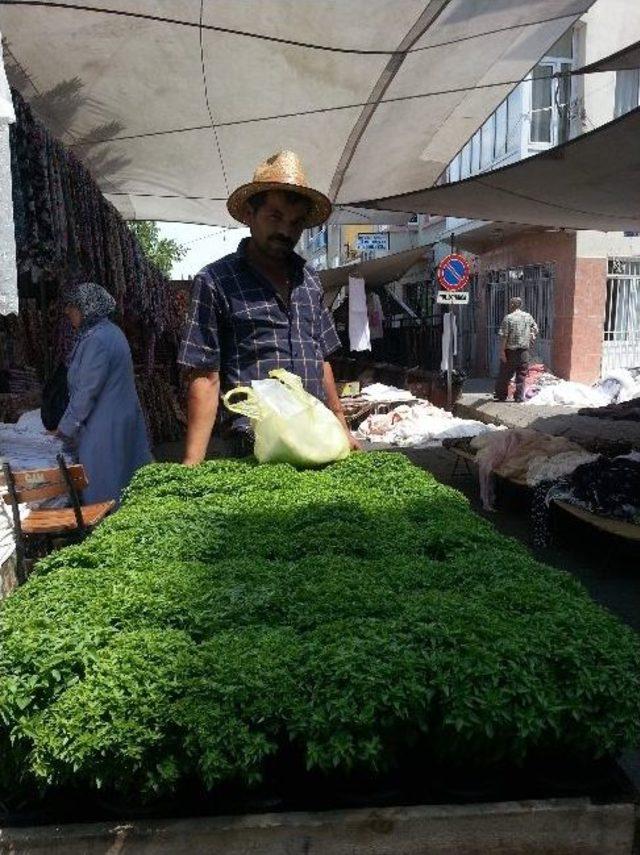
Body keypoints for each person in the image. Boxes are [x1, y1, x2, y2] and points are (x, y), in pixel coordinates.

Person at [178, 150, 358, 464]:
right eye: (274, 216)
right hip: (255, 445)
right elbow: (205, 376)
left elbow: (322, 359)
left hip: (317, 440)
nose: (286, 231)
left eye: (295, 222)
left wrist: (342, 425)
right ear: (250, 214)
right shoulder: (216, 281)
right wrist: (192, 465)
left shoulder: (310, 281)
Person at [57, 282, 152, 503]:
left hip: (104, 426)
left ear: (87, 307)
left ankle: (108, 530)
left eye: (73, 305)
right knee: (123, 481)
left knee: (104, 491)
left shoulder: (97, 340)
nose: (67, 311)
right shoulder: (110, 332)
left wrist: (65, 429)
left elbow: (86, 392)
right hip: (117, 419)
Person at [494, 296, 539, 403]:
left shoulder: (508, 318)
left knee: (504, 375)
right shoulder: (528, 317)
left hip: (510, 352)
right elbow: (535, 329)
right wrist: (532, 335)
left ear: (512, 305)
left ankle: (501, 396)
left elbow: (504, 336)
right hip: (524, 352)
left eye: (510, 304)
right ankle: (518, 397)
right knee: (521, 375)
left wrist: (502, 352)